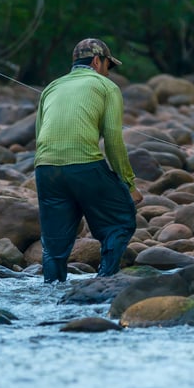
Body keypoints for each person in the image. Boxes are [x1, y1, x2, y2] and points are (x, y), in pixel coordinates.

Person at [34, 38, 143, 282]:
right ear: (97, 61)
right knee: (121, 221)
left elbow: (39, 136)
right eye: (108, 66)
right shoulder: (106, 87)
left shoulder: (50, 87)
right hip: (84, 165)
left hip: (45, 170)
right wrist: (129, 184)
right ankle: (104, 282)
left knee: (54, 246)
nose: (108, 72)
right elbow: (114, 141)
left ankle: (51, 290)